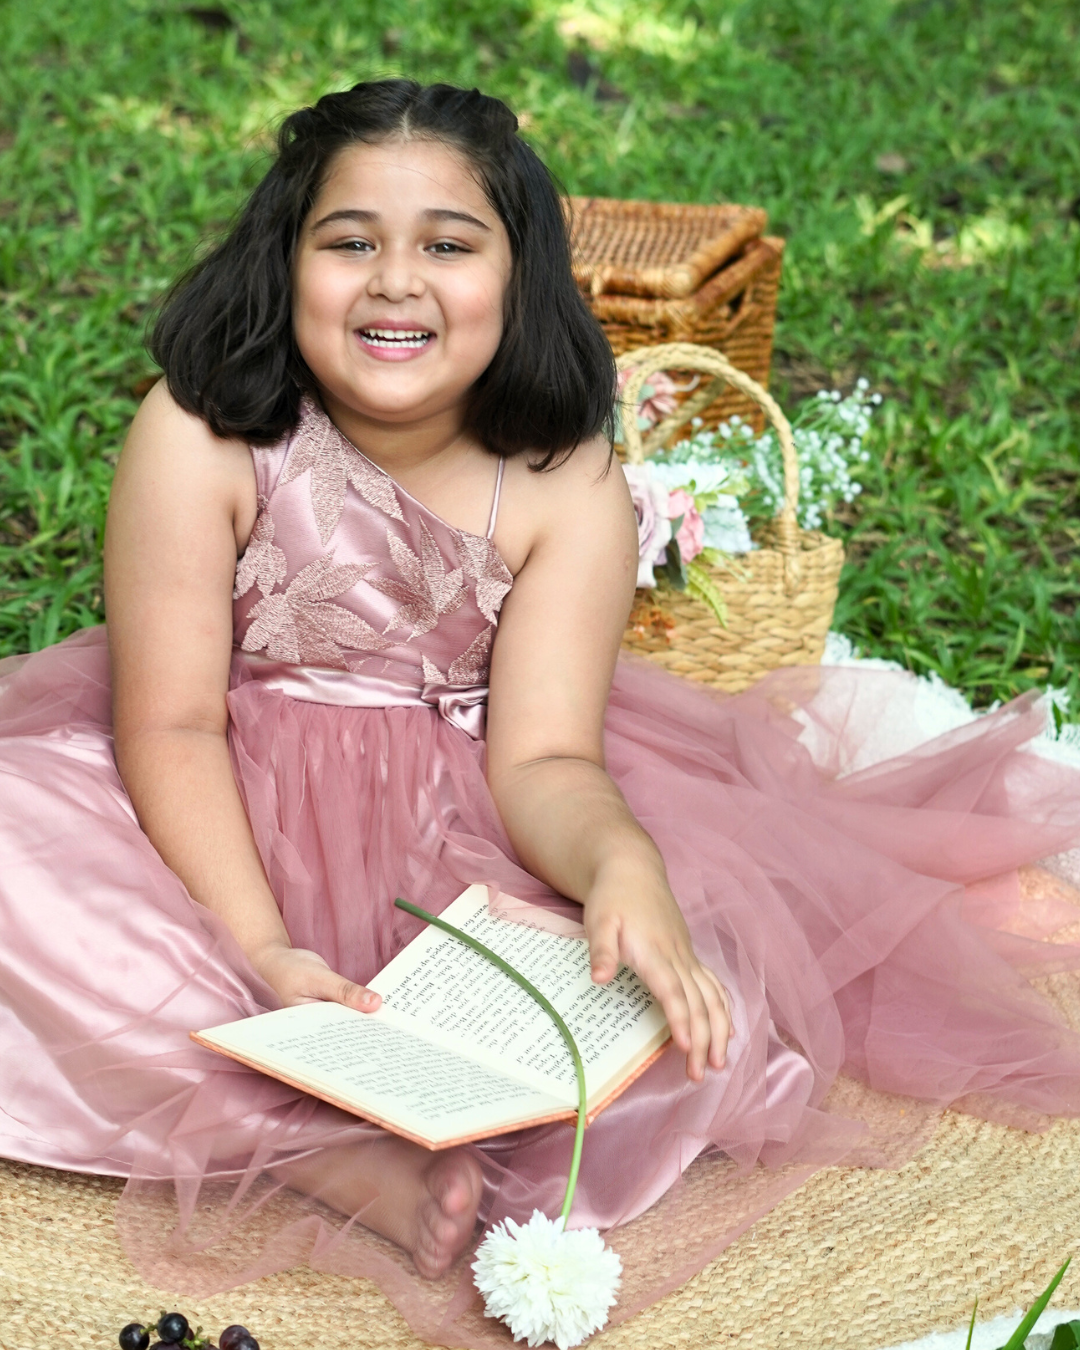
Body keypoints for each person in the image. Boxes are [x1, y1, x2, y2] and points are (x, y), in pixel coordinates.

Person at [1, 78, 1080, 1346]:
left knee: (681, 1024)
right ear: (281, 265)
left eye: (449, 247)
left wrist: (621, 864)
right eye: (349, 242)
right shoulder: (202, 436)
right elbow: (170, 725)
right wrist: (261, 948)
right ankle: (323, 1149)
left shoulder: (566, 481)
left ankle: (367, 1098)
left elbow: (550, 756)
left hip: (464, 832)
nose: (395, 282)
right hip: (206, 813)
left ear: (521, 281)